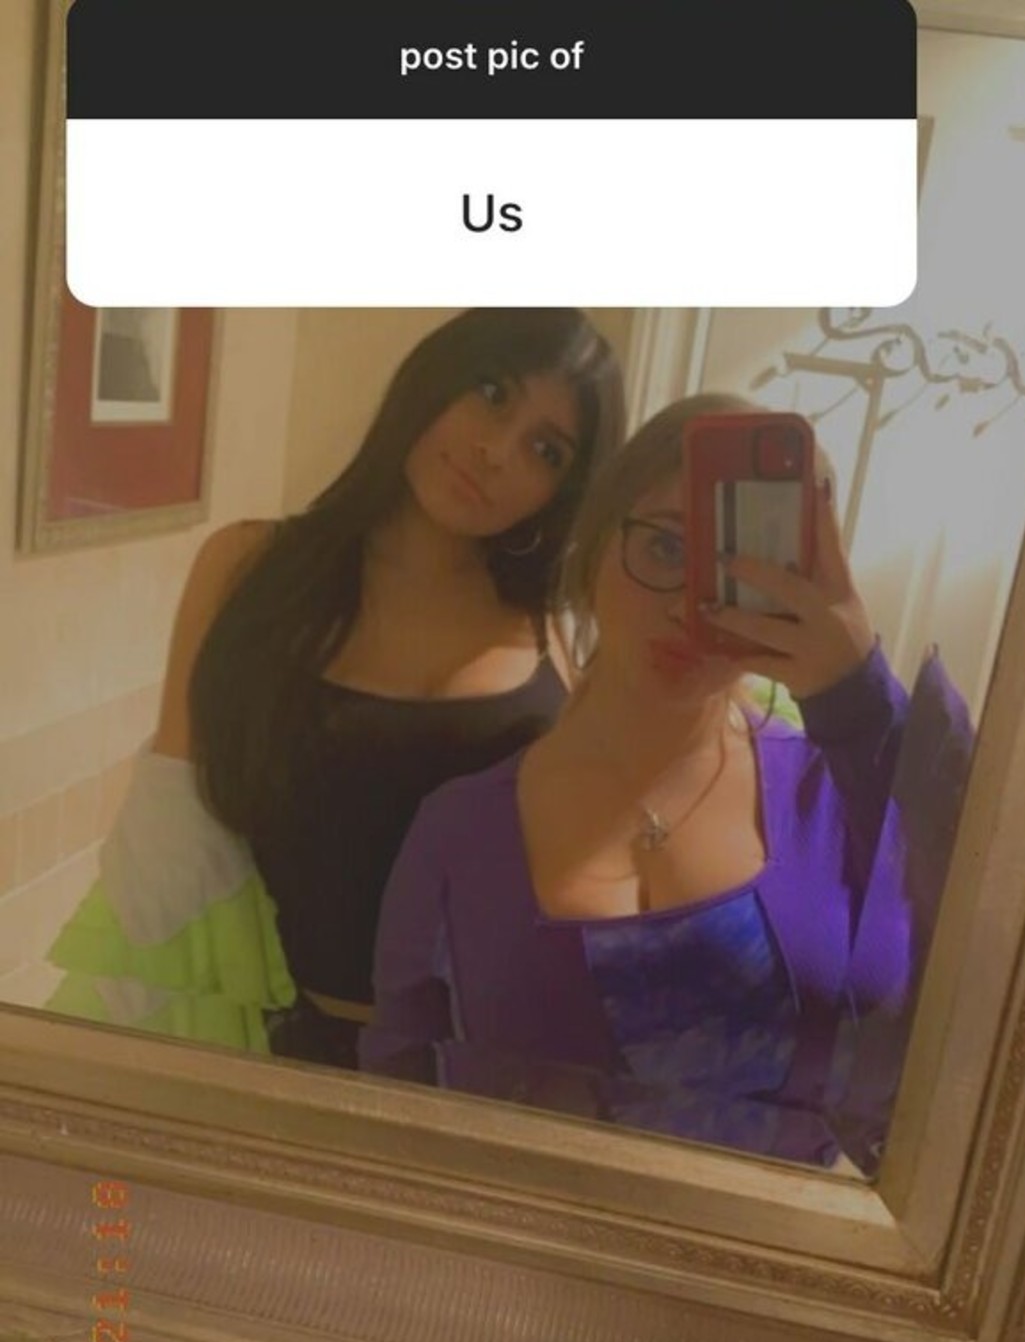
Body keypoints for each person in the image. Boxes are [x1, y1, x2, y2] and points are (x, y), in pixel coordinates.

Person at [357, 394, 974, 1173]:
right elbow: (395, 1103)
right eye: (665, 546)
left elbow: (1008, 942)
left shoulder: (844, 789)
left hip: (792, 1244)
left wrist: (858, 695)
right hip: (516, 1243)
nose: (691, 605)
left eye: (741, 568)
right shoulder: (455, 833)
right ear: (594, 548)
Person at [46, 309, 626, 1064]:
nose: (495, 451)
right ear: (435, 377)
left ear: (563, 489)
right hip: (251, 1053)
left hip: (470, 1077)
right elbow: (169, 845)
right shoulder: (249, 569)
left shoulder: (561, 638)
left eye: (545, 450)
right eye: (491, 393)